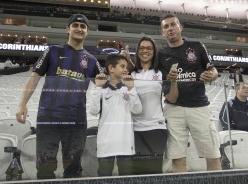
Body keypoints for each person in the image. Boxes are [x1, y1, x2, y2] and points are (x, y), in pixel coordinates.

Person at [16, 14, 102, 179]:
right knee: (45, 168)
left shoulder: (92, 60)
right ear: (67, 29)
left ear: (87, 32)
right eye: (75, 25)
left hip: (76, 120)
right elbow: (34, 78)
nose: (79, 28)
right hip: (49, 117)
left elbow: (106, 84)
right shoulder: (52, 51)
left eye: (83, 26)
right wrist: (22, 104)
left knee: (73, 169)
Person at [158, 14, 221, 172]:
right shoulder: (161, 55)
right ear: (162, 32)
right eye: (166, 26)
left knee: (212, 154)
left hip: (199, 107)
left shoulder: (197, 46)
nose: (170, 28)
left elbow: (212, 69)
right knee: (177, 158)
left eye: (173, 24)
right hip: (174, 110)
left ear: (181, 27)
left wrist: (212, 75)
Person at [88, 54, 142, 176]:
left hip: (126, 143)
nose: (126, 69)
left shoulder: (128, 88)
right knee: (104, 178)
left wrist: (132, 89)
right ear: (111, 68)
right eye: (122, 66)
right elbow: (93, 111)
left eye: (126, 67)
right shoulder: (100, 88)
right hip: (106, 144)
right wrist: (97, 88)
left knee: (126, 179)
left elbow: (138, 110)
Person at [130, 36, 167, 175]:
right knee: (136, 171)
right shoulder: (131, 73)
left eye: (149, 48)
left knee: (154, 172)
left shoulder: (161, 73)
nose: (145, 50)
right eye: (142, 47)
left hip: (156, 128)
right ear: (137, 51)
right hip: (134, 129)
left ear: (154, 51)